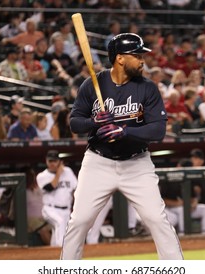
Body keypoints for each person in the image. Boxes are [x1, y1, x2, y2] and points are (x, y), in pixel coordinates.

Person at [60, 33, 183, 260]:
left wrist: (125, 131)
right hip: (98, 161)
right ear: (120, 58)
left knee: (157, 219)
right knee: (79, 221)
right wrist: (93, 122)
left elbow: (158, 131)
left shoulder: (148, 88)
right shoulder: (93, 84)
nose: (142, 60)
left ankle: (176, 270)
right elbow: (75, 123)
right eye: (136, 55)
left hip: (137, 163)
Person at [36, 150, 77, 246]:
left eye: (54, 161)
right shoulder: (42, 176)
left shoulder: (68, 171)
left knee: (59, 232)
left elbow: (75, 189)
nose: (52, 164)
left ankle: (54, 254)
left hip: (66, 210)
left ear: (59, 161)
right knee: (59, 223)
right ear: (46, 161)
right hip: (50, 209)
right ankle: (60, 252)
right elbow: (52, 186)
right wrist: (59, 173)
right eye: (50, 161)